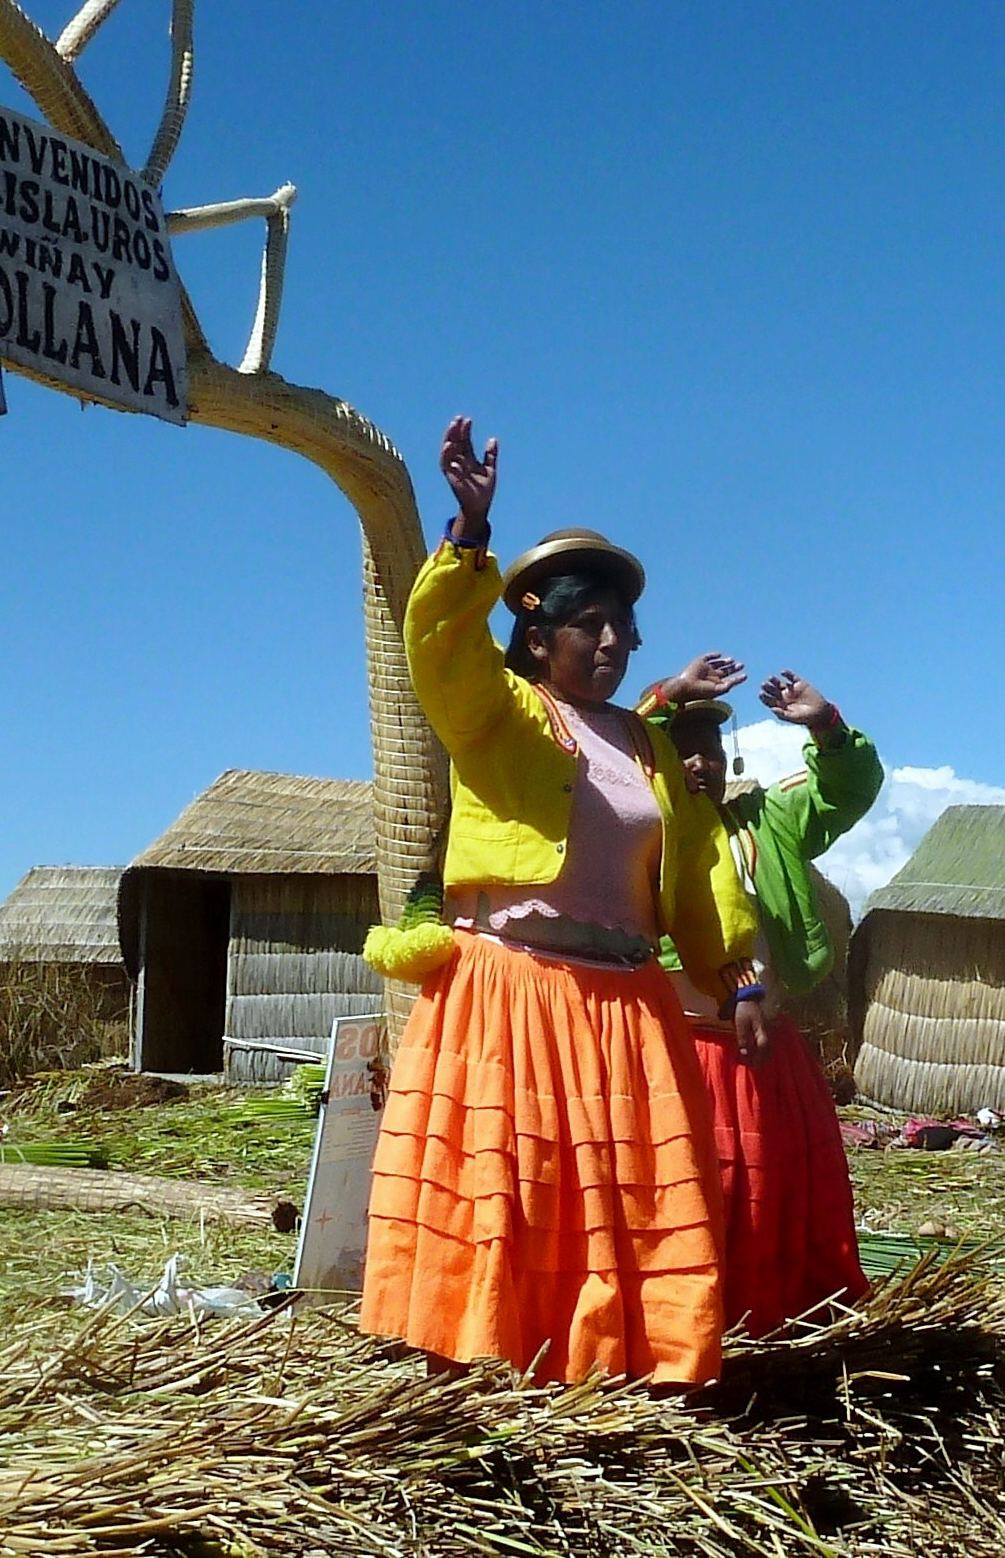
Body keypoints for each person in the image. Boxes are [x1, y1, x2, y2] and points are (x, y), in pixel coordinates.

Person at [358, 418, 765, 1387]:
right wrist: (467, 532)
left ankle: (613, 1360)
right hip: (515, 989)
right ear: (538, 634)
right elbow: (439, 649)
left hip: (627, 1003)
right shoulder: (497, 708)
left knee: (622, 1197)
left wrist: (738, 971)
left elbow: (702, 858)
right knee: (514, 1184)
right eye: (592, 624)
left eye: (625, 627)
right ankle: (485, 1356)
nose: (615, 641)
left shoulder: (650, 742)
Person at [637, 668, 883, 1335]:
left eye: (711, 751)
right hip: (668, 1053)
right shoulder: (640, 835)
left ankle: (763, 1322)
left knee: (767, 1190)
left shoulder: (763, 822)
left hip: (760, 1054)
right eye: (682, 748)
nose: (699, 763)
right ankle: (677, 1327)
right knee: (681, 1193)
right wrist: (666, 696)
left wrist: (823, 724)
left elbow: (844, 790)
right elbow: (627, 742)